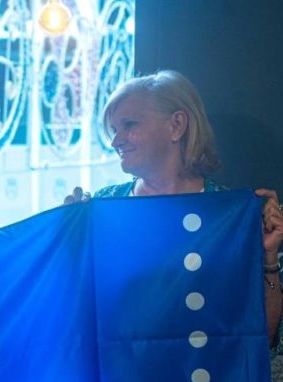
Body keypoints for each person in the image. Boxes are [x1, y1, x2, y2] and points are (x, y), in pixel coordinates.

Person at [64, 70, 283, 348]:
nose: (116, 140)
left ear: (177, 125)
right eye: (114, 129)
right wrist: (66, 244)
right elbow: (73, 319)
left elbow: (263, 336)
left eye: (129, 124)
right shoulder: (101, 208)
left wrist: (268, 259)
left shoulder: (230, 215)